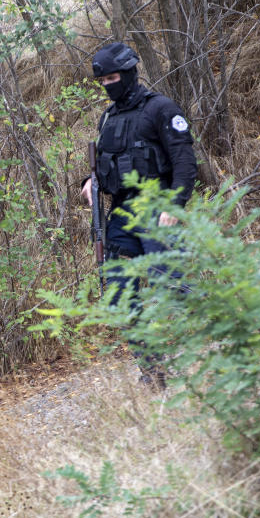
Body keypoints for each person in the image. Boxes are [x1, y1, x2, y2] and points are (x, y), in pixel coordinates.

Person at [80, 42, 198, 389]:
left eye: (114, 78)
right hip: (122, 216)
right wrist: (90, 181)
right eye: (103, 82)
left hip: (158, 208)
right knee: (118, 294)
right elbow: (107, 164)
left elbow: (185, 163)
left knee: (171, 286)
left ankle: (214, 341)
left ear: (130, 73)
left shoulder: (161, 109)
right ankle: (153, 369)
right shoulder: (108, 118)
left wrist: (175, 205)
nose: (109, 86)